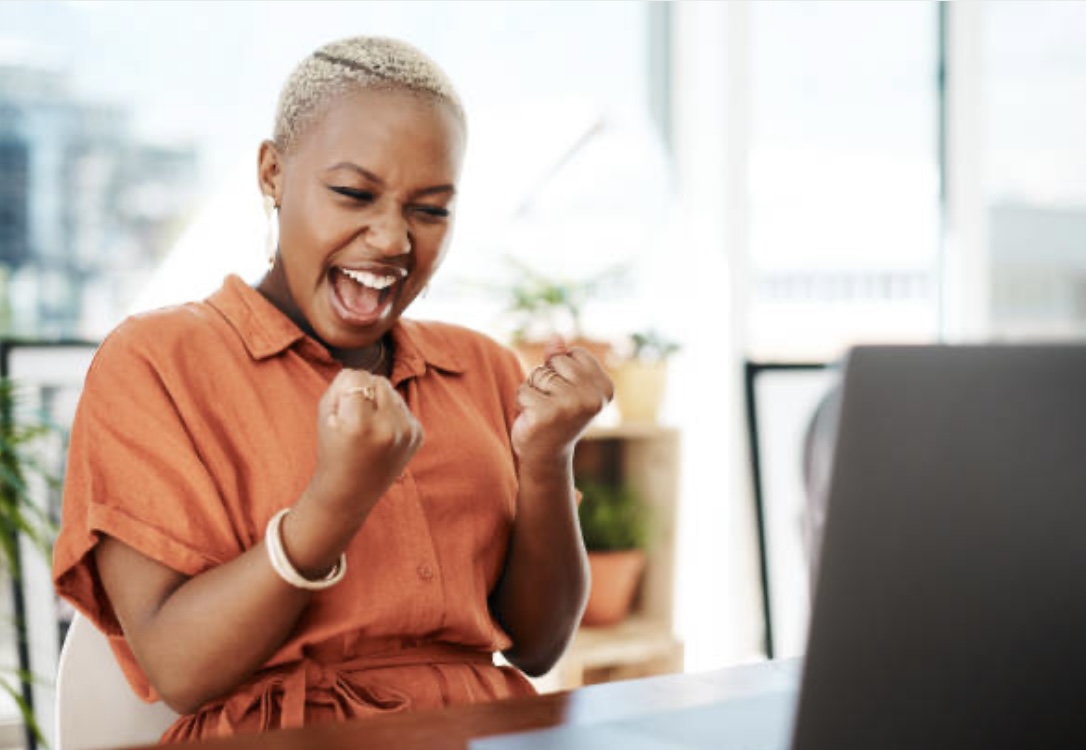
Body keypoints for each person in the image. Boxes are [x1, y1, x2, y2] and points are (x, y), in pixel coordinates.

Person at [52, 36, 612, 742]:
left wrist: (548, 457)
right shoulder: (157, 362)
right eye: (353, 194)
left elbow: (537, 646)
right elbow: (180, 670)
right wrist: (336, 501)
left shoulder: (482, 368)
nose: (392, 239)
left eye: (430, 210)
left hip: (477, 731)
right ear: (273, 173)